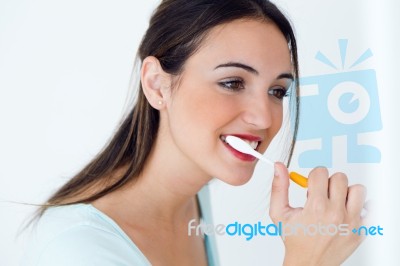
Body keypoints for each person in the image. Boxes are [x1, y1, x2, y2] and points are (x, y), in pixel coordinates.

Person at [21, 0, 367, 265]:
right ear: (157, 85)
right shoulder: (78, 249)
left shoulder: (193, 198)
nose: (264, 118)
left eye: (277, 91)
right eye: (233, 82)